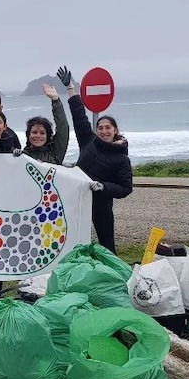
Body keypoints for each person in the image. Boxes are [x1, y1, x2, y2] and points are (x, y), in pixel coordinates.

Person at [63, 66, 133, 254]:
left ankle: (114, 275)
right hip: (78, 200)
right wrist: (70, 89)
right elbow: (79, 116)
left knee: (107, 245)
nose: (103, 131)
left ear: (115, 130)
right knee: (74, 241)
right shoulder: (89, 140)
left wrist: (103, 187)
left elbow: (126, 188)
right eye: (100, 127)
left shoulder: (121, 158)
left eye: (108, 128)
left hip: (101, 205)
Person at [14, 81, 70, 165]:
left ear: (47, 136)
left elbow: (63, 128)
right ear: (28, 135)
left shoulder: (55, 153)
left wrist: (56, 101)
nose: (38, 136)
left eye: (42, 133)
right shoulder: (23, 156)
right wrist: (14, 156)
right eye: (34, 132)